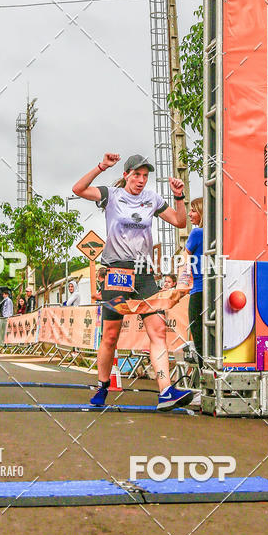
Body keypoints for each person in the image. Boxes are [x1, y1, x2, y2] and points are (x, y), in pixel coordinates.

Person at [72, 152, 193, 411]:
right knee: (111, 335)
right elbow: (78, 189)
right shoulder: (111, 196)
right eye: (136, 175)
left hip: (145, 272)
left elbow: (180, 221)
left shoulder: (152, 199)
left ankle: (165, 391)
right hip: (117, 272)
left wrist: (179, 196)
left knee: (158, 330)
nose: (141, 180)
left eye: (145, 176)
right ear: (126, 175)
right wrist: (101, 166)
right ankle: (103, 386)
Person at [185, 197, 204, 368]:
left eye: (193, 210)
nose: (189, 214)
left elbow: (184, 260)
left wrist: (180, 287)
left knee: (198, 335)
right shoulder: (219, 233)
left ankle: (206, 379)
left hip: (198, 291)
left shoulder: (197, 233)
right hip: (217, 291)